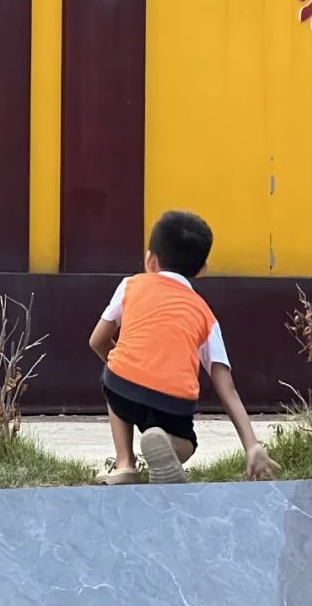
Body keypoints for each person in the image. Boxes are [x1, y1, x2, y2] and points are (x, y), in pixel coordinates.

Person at [88, 209, 281, 487]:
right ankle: (169, 444)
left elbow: (97, 340)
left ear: (150, 260)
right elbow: (227, 388)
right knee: (187, 443)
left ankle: (125, 463)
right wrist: (252, 445)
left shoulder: (130, 285)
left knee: (115, 368)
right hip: (173, 402)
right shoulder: (205, 314)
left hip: (123, 389)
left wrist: (123, 366)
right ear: (203, 270)